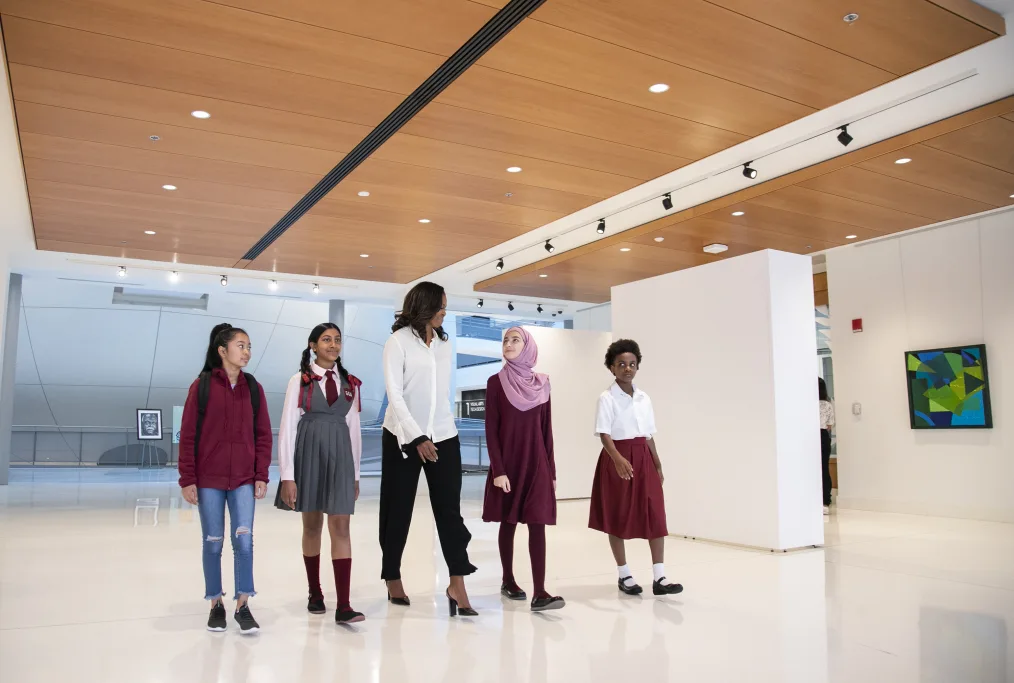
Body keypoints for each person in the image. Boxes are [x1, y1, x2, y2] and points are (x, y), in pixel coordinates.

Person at [380, 282, 477, 617]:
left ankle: (457, 583)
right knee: (398, 510)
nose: (444, 314)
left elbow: (440, 392)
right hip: (403, 437)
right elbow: (395, 395)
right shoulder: (397, 343)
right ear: (425, 307)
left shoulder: (444, 345)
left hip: (444, 434)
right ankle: (392, 575)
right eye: (441, 308)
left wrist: (435, 433)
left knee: (449, 511)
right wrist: (417, 436)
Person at [178, 323, 272, 634]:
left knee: (244, 541)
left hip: (244, 479)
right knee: (213, 542)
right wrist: (187, 478)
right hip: (209, 481)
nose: (247, 352)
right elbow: (188, 435)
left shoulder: (254, 388)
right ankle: (215, 604)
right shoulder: (202, 386)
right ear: (223, 350)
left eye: (248, 346)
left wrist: (261, 474)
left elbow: (262, 436)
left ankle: (243, 604)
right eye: (241, 346)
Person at [275, 323, 364, 624]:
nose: (333, 345)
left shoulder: (350, 383)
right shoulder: (298, 381)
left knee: (341, 528)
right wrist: (287, 475)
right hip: (309, 456)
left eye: (337, 340)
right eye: (326, 340)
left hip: (341, 460)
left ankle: (345, 605)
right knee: (312, 527)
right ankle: (315, 592)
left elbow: (354, 431)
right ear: (313, 345)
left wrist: (356, 474)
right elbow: (287, 428)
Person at [589, 339, 682, 597]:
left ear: (637, 366)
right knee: (617, 516)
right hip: (617, 458)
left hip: (644, 458)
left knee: (655, 514)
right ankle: (624, 574)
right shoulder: (606, 398)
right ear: (611, 368)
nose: (627, 369)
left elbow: (649, 434)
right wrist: (618, 459)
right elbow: (604, 434)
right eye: (621, 364)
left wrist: (658, 463)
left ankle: (660, 576)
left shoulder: (644, 398)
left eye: (632, 364)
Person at [482, 327, 564, 612]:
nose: (508, 343)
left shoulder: (542, 384)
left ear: (528, 346)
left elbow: (547, 430)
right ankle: (508, 579)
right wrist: (498, 470)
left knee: (537, 522)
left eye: (515, 340)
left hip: (537, 462)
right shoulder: (496, 383)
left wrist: (551, 471)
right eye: (505, 340)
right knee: (510, 521)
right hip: (509, 464)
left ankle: (540, 592)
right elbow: (491, 430)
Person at [819, 378, 836, 516]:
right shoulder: (827, 405)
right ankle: (825, 500)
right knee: (824, 467)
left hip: (807, 436)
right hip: (823, 435)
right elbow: (830, 426)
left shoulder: (805, 403)